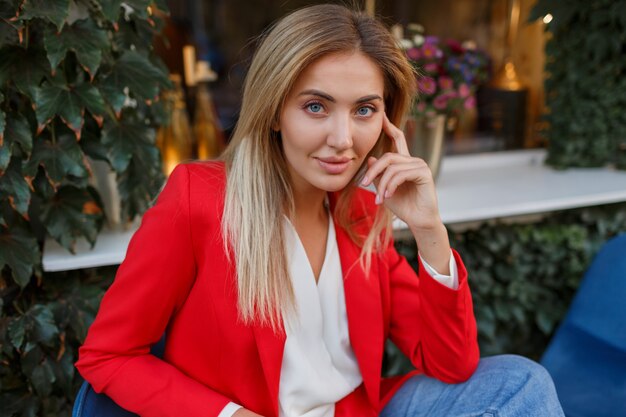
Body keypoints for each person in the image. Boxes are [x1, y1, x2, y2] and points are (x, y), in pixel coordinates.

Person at [76, 4, 565, 417]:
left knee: (521, 383)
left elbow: (453, 365)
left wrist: (428, 230)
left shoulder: (363, 210)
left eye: (364, 110)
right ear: (273, 110)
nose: (342, 139)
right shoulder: (200, 199)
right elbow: (108, 355)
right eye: (316, 107)